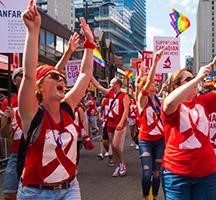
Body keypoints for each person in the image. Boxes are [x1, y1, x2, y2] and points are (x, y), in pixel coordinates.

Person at [17, 1, 94, 198]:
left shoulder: (67, 107)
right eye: (54, 76)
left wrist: (90, 44)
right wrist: (33, 32)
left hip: (70, 189)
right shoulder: (32, 114)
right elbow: (28, 76)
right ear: (40, 87)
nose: (61, 78)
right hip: (36, 193)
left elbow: (85, 75)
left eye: (61, 77)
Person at [161, 39, 216, 200]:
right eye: (187, 79)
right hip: (176, 175)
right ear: (176, 86)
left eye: (192, 77)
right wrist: (198, 78)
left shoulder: (203, 101)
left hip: (207, 173)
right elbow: (170, 102)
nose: (193, 80)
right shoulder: (173, 107)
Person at [137, 50, 164, 200]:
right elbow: (147, 83)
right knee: (147, 173)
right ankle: (146, 195)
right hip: (145, 141)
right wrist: (155, 62)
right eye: (151, 82)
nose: (154, 83)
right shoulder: (142, 100)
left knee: (157, 173)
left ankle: (153, 196)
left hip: (160, 140)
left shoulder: (160, 101)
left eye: (154, 82)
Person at [91, 77, 130, 177]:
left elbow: (126, 110)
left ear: (117, 84)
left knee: (116, 145)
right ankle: (118, 165)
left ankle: (122, 164)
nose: (110, 86)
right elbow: (98, 86)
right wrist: (90, 76)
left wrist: (121, 122)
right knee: (112, 145)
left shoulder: (124, 96)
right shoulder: (110, 93)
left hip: (118, 124)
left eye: (112, 84)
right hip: (110, 123)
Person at [1, 67, 23, 200]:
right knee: (9, 193)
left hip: (35, 152)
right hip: (16, 153)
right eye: (21, 74)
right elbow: (4, 134)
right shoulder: (8, 102)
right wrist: (8, 120)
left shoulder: (39, 98)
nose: (25, 75)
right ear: (14, 81)